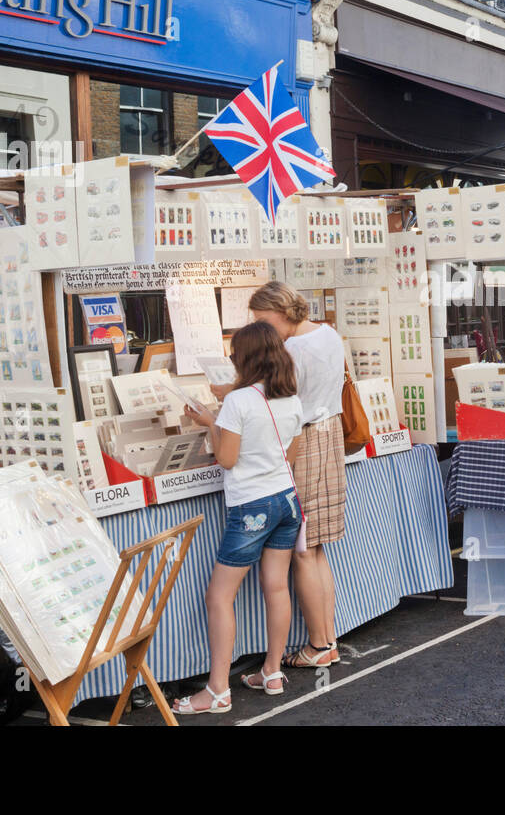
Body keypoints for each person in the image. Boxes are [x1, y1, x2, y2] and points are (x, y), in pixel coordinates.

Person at [173, 322, 304, 712]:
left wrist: (211, 423)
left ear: (244, 359)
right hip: (286, 500)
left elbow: (227, 459)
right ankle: (272, 671)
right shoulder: (293, 398)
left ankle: (216, 690)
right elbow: (290, 457)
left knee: (219, 595)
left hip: (251, 506)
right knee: (276, 587)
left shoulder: (238, 402)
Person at [242, 282, 347, 669]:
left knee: (302, 549)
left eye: (262, 319)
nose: (260, 327)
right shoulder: (328, 333)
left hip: (302, 441)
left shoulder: (291, 350)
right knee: (316, 548)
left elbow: (280, 405)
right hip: (329, 434)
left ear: (281, 312)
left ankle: (319, 646)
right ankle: (327, 640)